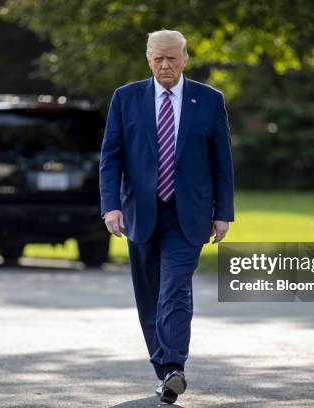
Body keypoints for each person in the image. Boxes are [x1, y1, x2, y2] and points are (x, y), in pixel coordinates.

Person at [99, 29, 234, 404]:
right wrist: (111, 206)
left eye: (172, 58)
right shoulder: (126, 99)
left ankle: (174, 364)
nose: (165, 65)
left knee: (175, 288)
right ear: (148, 59)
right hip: (140, 212)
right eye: (158, 58)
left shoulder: (208, 100)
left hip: (188, 213)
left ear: (185, 58)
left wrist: (223, 213)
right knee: (149, 296)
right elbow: (111, 158)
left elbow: (222, 163)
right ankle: (165, 371)